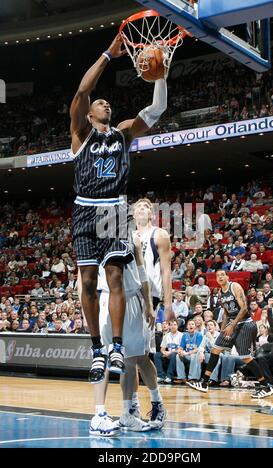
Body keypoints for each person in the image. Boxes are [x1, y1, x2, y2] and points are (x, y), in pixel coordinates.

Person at [70, 34, 168, 383]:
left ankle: (113, 347)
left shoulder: (123, 133)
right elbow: (82, 92)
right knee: (88, 280)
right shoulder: (81, 134)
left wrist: (162, 77)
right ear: (91, 112)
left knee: (113, 277)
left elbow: (156, 112)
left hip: (113, 210)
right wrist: (108, 56)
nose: (105, 106)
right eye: (101, 104)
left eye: (108, 104)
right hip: (85, 211)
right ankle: (96, 348)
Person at [89, 232, 167, 436]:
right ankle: (99, 413)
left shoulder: (132, 237)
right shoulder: (95, 236)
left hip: (133, 299)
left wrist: (149, 303)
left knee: (132, 359)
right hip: (107, 298)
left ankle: (126, 414)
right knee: (103, 357)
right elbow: (85, 277)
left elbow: (142, 272)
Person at [187, 270, 273, 398]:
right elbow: (227, 313)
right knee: (215, 350)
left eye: (222, 275)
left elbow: (244, 308)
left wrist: (232, 326)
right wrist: (222, 329)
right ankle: (204, 383)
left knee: (245, 357)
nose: (220, 277)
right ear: (215, 280)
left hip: (245, 324)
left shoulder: (235, 287)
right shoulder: (221, 294)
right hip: (232, 325)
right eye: (218, 276)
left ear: (227, 277)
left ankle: (265, 386)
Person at [133, 198, 172, 318]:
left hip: (149, 295)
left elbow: (166, 272)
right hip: (130, 293)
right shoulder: (129, 235)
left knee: (143, 336)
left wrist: (168, 306)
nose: (142, 208)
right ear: (134, 215)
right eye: (139, 206)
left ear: (152, 215)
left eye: (146, 206)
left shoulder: (159, 234)